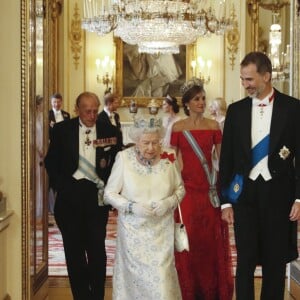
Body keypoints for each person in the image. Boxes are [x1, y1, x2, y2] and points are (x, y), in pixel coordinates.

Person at [219, 51, 300, 300]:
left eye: (250, 79)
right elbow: (227, 158)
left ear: (266, 76)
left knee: (275, 262)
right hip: (245, 194)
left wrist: (299, 198)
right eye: (243, 79)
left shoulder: (293, 108)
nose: (245, 85)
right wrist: (225, 201)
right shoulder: (236, 110)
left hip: (280, 195)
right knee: (245, 261)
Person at [44, 91, 122, 300]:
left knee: (97, 252)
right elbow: (51, 161)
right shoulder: (61, 130)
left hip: (96, 198)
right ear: (77, 110)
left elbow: (117, 164)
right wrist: (62, 185)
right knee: (74, 252)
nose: (92, 115)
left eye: (95, 110)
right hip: (69, 198)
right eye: (87, 111)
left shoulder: (111, 131)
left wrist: (110, 188)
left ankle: (96, 296)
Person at [104, 116, 186, 300]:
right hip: (133, 232)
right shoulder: (123, 158)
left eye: (155, 143)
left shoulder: (169, 156)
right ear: (136, 141)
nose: (151, 148)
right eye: (146, 142)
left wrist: (168, 203)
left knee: (162, 279)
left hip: (161, 231)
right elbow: (109, 193)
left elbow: (180, 189)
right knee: (134, 282)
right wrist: (131, 207)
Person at [170, 78, 233, 300]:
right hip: (186, 193)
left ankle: (212, 291)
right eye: (197, 99)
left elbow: (222, 160)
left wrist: (224, 189)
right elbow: (173, 162)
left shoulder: (213, 126)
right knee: (190, 242)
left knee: (209, 242)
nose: (202, 102)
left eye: (203, 98)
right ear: (187, 103)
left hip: (209, 192)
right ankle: (189, 289)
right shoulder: (178, 128)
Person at [48, 92, 71, 215]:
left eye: (58, 102)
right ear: (51, 102)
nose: (56, 104)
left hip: (64, 150)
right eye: (54, 102)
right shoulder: (47, 115)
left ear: (61, 102)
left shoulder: (66, 115)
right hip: (52, 149)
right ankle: (52, 205)